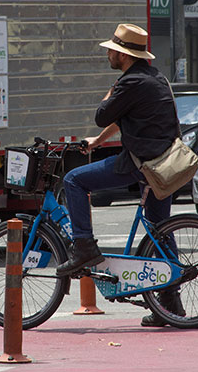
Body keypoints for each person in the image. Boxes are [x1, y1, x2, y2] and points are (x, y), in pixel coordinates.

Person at [54, 23, 184, 327]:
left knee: (74, 180)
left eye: (113, 50)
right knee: (159, 229)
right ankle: (171, 306)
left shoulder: (130, 83)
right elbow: (124, 117)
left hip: (140, 164)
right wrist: (97, 142)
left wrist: (110, 93)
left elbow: (104, 114)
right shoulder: (154, 78)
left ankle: (84, 247)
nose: (109, 54)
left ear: (124, 55)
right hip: (161, 164)